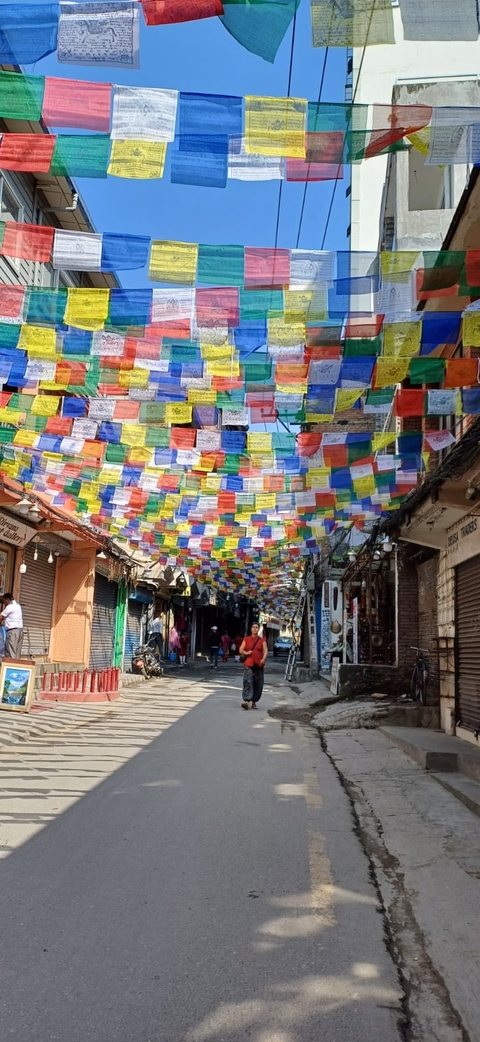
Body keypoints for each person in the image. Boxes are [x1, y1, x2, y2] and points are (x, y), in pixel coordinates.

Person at [239, 623, 268, 710]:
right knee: (248, 682)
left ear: (258, 629)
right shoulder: (246, 639)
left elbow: (265, 651)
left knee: (258, 684)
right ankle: (246, 701)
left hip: (259, 665)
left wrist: (264, 658)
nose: (255, 629)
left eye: (257, 627)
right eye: (253, 627)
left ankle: (254, 701)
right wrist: (246, 653)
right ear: (251, 629)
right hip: (249, 664)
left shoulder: (262, 640)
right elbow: (241, 649)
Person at [0, 593, 23, 658]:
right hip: (19, 631)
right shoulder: (18, 605)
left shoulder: (10, 606)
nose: (4, 603)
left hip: (13, 632)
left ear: (7, 599)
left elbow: (1, 617)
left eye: (4, 601)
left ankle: (9, 667)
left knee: (10, 652)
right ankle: (15, 667)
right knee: (16, 654)